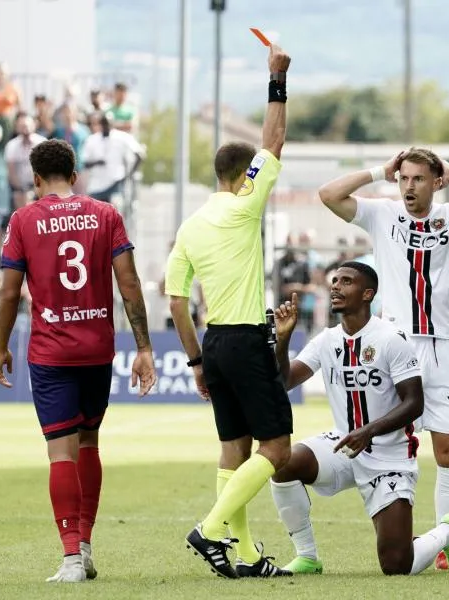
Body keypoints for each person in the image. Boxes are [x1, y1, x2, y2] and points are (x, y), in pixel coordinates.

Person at [317, 148, 449, 528]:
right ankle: (382, 517)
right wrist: (379, 171)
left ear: (435, 183)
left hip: (441, 347)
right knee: (378, 443)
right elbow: (328, 194)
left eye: (419, 179)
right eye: (404, 178)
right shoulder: (381, 213)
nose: (409, 186)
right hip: (395, 346)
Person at [0, 139, 157, 583]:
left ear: (35, 179)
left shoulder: (24, 219)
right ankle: (84, 545)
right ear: (76, 175)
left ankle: (69, 559)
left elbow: (9, 291)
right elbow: (130, 284)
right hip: (97, 349)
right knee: (89, 443)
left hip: (51, 352)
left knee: (60, 452)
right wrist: (143, 347)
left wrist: (1, 345)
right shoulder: (106, 215)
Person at [165, 43, 292, 579]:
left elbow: (175, 301)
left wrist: (195, 362)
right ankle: (212, 528)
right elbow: (275, 140)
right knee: (278, 448)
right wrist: (277, 80)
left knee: (233, 448)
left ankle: (242, 557)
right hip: (243, 339)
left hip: (214, 344)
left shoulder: (190, 225)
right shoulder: (244, 209)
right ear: (244, 178)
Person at [269, 262, 449, 575]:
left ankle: (448, 531)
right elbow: (283, 382)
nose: (335, 286)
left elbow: (415, 403)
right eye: (334, 281)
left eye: (346, 282)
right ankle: (307, 557)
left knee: (396, 566)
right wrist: (283, 341)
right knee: (282, 462)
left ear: (367, 294)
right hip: (345, 445)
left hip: (389, 456)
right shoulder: (326, 340)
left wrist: (368, 432)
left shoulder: (392, 339)